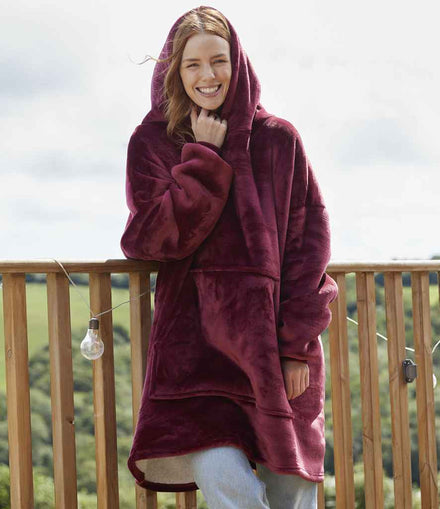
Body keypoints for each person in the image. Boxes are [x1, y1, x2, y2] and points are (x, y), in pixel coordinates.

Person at [120, 5, 339, 508]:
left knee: (292, 491)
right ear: (175, 70)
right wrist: (204, 160)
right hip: (196, 350)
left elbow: (310, 246)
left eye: (218, 60)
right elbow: (149, 239)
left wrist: (295, 344)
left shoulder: (279, 139)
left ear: (236, 62)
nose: (208, 75)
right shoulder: (153, 142)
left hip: (275, 346)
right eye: (193, 64)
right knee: (221, 475)